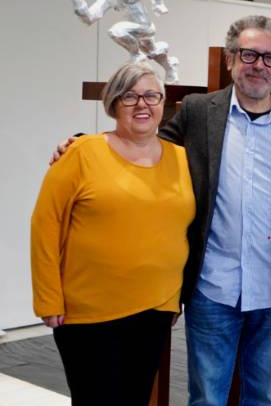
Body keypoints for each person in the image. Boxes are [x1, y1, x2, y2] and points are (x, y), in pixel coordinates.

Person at [52, 15, 271, 405]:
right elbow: (145, 146)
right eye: (249, 55)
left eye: (270, 58)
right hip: (212, 287)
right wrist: (86, 144)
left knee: (266, 394)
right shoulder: (200, 112)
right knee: (206, 396)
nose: (259, 65)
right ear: (231, 60)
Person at [32, 62, 195, 405]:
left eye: (151, 96)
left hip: (156, 308)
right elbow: (45, 225)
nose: (142, 104)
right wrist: (48, 298)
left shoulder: (182, 159)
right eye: (129, 96)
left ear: (163, 103)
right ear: (113, 104)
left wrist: (175, 299)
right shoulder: (81, 152)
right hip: (88, 312)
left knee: (135, 398)